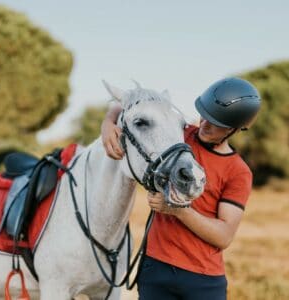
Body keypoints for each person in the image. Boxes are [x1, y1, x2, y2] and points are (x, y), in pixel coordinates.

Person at [101, 77, 261, 299]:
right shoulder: (182, 137)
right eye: (205, 115)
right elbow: (133, 106)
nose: (204, 124)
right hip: (155, 269)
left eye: (216, 123)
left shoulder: (238, 172)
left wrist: (177, 210)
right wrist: (108, 124)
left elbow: (224, 236)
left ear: (234, 129)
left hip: (203, 281)